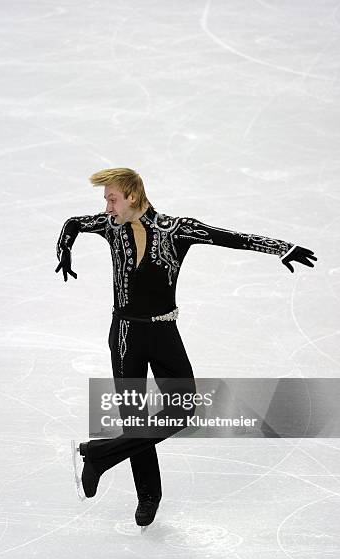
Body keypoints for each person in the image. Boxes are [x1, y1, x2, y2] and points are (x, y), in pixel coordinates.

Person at [55, 167, 317, 529]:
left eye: (111, 198)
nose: (106, 207)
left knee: (183, 410)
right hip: (126, 334)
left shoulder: (178, 229)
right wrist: (64, 249)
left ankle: (99, 454)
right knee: (135, 417)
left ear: (132, 195)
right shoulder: (109, 227)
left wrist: (280, 248)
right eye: (105, 200)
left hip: (164, 332)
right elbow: (71, 223)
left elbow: (232, 238)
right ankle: (148, 495)